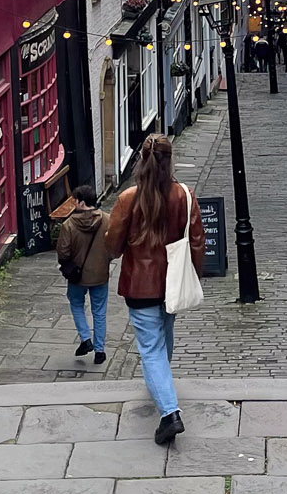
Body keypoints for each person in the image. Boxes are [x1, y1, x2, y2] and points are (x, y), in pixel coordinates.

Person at [104, 134, 204, 446]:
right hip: (172, 282)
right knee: (163, 339)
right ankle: (161, 385)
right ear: (169, 160)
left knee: (150, 348)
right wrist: (193, 275)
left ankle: (169, 413)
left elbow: (113, 247)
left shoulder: (127, 200)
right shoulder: (184, 195)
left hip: (140, 284)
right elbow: (198, 243)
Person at [55, 184, 111, 364]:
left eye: (75, 200)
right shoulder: (107, 220)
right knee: (99, 312)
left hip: (77, 276)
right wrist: (105, 259)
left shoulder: (68, 225)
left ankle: (86, 339)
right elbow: (115, 246)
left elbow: (63, 253)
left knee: (77, 304)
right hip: (100, 274)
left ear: (81, 202)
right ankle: (100, 351)